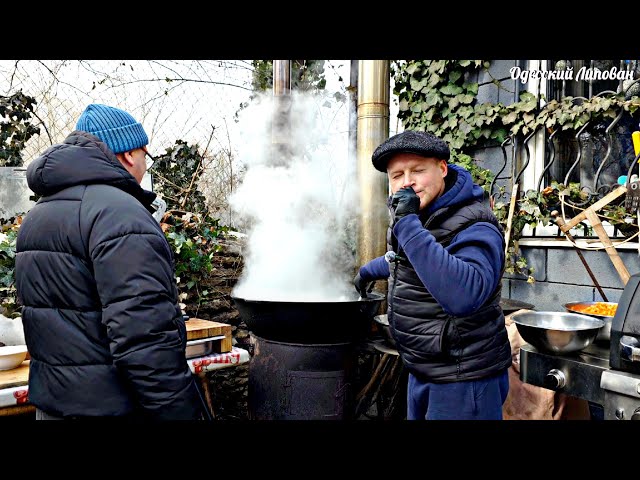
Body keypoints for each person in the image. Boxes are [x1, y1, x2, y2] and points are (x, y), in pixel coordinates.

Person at [14, 104, 202, 420]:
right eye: (146, 154)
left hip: (53, 405)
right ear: (129, 154)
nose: (145, 164)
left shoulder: (38, 215)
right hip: (113, 407)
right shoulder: (121, 214)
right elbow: (144, 337)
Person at [354, 129, 512, 420]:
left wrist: (408, 225)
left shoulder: (475, 224)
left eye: (417, 170)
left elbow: (463, 295)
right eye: (397, 175)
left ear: (442, 168)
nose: (407, 182)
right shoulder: (423, 216)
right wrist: (367, 272)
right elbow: (409, 262)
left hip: (463, 379)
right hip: (424, 368)